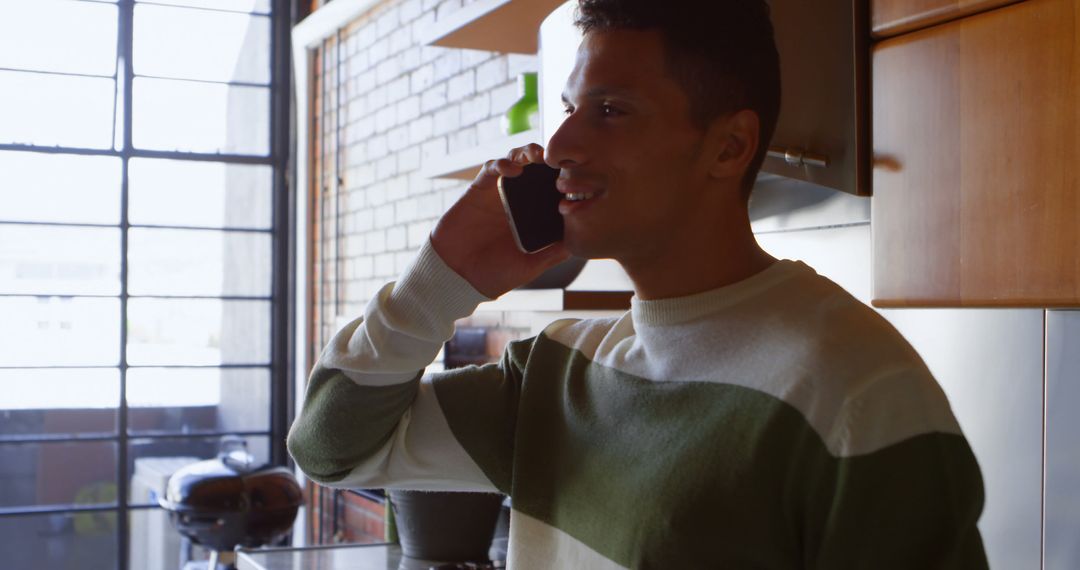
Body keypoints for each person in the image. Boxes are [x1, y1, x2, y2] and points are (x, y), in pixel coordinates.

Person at [288, 0, 989, 567]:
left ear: (729, 146)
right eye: (568, 107)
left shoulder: (857, 392)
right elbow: (329, 449)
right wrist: (440, 279)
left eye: (612, 110)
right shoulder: (555, 372)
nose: (560, 145)